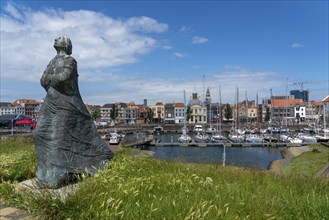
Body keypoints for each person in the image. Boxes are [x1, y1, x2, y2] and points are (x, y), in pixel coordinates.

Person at [34, 36, 114, 188]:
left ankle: (54, 176)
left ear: (65, 44)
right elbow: (42, 80)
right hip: (50, 101)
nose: (56, 39)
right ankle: (44, 173)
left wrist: (50, 78)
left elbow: (63, 79)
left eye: (60, 38)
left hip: (66, 103)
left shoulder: (70, 61)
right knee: (39, 134)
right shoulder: (52, 61)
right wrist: (52, 78)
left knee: (58, 138)